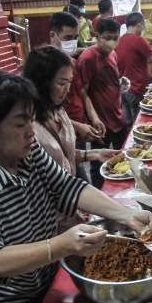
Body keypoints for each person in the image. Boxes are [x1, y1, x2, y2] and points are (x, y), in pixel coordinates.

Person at [0, 70, 152, 303]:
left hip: (47, 276)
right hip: (9, 301)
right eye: (20, 124)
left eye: (32, 120)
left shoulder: (28, 152)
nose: (31, 132)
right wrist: (60, 246)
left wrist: (127, 214)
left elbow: (68, 187)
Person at [22, 46, 120, 231]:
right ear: (42, 81)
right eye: (61, 83)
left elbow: (60, 155)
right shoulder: (29, 125)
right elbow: (40, 176)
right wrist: (65, 207)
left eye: (69, 82)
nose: (67, 89)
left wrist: (93, 154)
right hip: (48, 217)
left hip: (68, 204)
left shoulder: (57, 110)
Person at [49, 11, 105, 182]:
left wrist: (93, 118)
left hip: (76, 134)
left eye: (75, 37)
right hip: (56, 136)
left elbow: (82, 94)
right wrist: (76, 126)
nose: (72, 43)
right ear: (53, 36)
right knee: (74, 183)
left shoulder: (72, 63)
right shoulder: (43, 68)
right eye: (67, 38)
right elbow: (44, 113)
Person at [77, 18, 129, 189]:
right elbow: (83, 92)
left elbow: (108, 80)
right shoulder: (88, 58)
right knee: (99, 164)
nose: (112, 42)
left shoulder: (112, 54)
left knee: (125, 158)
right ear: (98, 36)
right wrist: (93, 118)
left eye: (116, 37)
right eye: (108, 37)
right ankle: (101, 197)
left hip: (118, 117)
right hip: (101, 123)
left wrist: (121, 83)